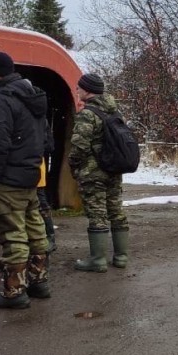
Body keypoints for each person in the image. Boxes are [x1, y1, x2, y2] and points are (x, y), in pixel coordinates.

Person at [0, 51, 49, 309]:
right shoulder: (31, 95)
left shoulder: (0, 99)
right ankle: (39, 282)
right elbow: (44, 139)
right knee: (35, 229)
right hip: (30, 173)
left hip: (8, 178)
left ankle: (14, 292)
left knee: (12, 234)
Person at [69, 72, 128, 273]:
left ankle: (98, 260)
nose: (76, 91)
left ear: (87, 90)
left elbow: (79, 146)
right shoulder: (115, 112)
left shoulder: (88, 114)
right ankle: (121, 257)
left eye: (79, 88)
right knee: (116, 211)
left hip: (93, 172)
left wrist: (73, 165)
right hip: (114, 169)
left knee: (97, 213)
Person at [38, 121, 57, 251]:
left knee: (41, 203)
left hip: (35, 167)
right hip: (35, 165)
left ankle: (49, 237)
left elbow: (49, 146)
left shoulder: (39, 118)